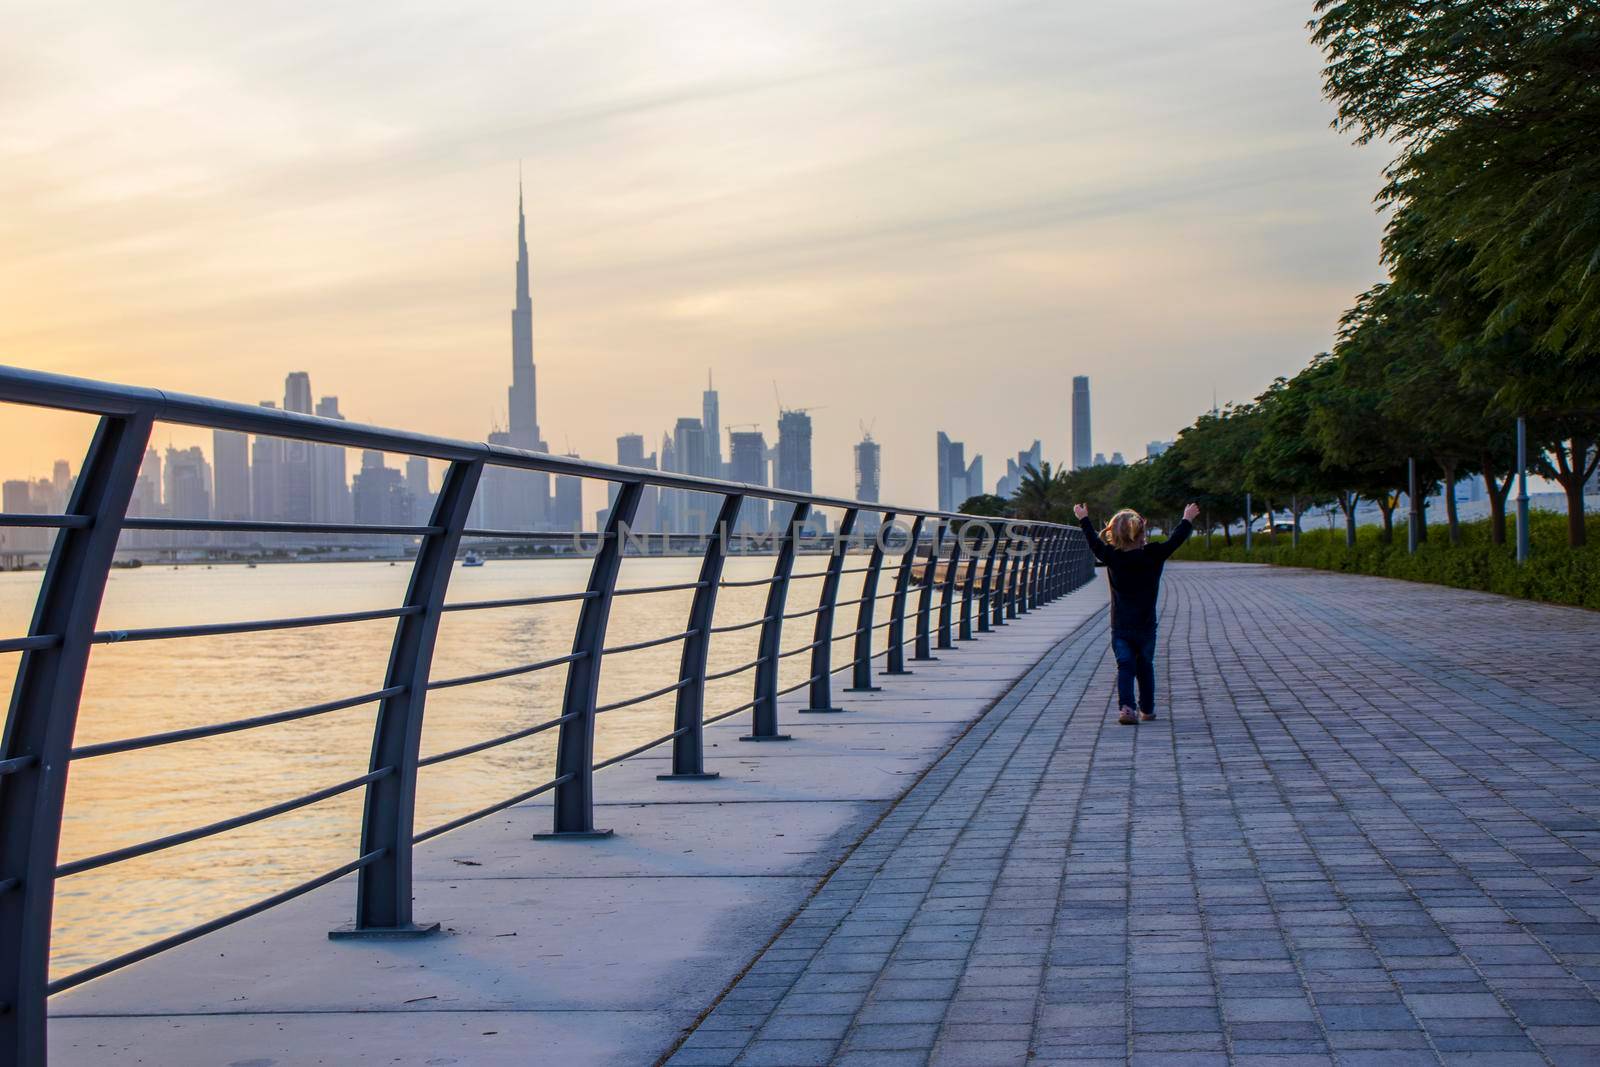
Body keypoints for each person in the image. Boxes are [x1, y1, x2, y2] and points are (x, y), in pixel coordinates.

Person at [1073, 501, 1200, 726]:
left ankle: (1127, 708)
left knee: (1125, 665)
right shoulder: (1153, 554)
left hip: (1120, 625)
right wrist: (1187, 519)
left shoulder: (1111, 555)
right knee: (1145, 665)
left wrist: (1083, 518)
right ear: (1142, 534)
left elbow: (1093, 542)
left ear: (1113, 535)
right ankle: (1148, 709)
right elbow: (1176, 540)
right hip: (1146, 625)